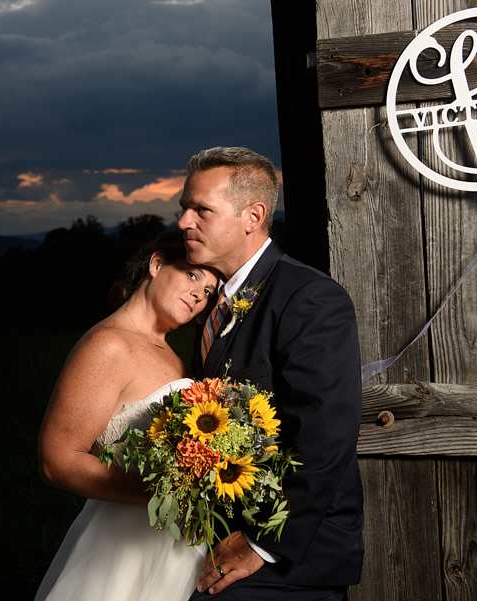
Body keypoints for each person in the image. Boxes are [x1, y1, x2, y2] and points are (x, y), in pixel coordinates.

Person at [178, 147, 364, 600]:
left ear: (253, 216)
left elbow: (325, 433)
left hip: (291, 553)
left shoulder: (310, 298)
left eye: (201, 209)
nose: (184, 221)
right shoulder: (210, 302)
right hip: (220, 535)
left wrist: (262, 544)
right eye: (184, 208)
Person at [35, 229, 221, 601]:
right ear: (156, 264)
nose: (199, 295)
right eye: (192, 275)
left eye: (209, 292)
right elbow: (56, 461)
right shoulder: (108, 344)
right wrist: (168, 496)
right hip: (123, 542)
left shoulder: (173, 355)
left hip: (175, 543)